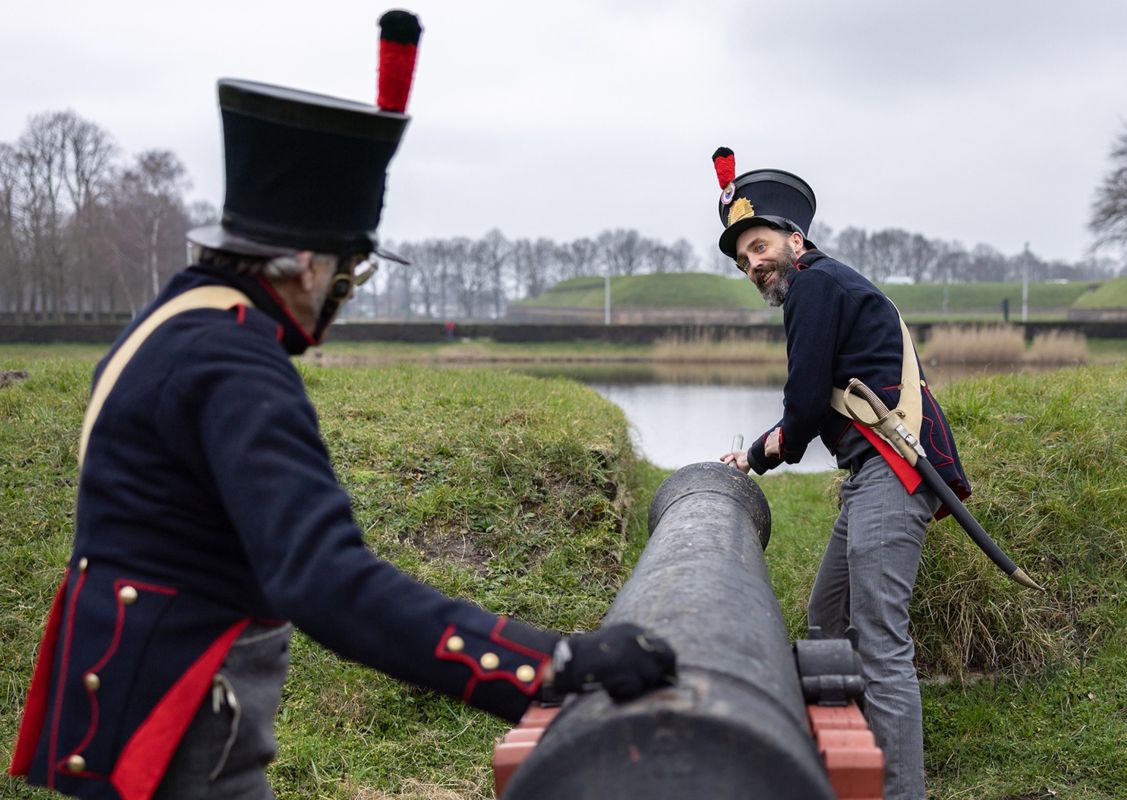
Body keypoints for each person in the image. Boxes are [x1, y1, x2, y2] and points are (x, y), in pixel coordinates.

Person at [8, 13, 674, 800]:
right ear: (305, 267)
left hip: (124, 688)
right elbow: (326, 579)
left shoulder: (169, 322)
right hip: (181, 716)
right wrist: (547, 663)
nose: (341, 298)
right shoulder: (235, 360)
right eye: (346, 276)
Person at [710, 147, 971, 800]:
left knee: (881, 647)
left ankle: (896, 793)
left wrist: (758, 455)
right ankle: (838, 761)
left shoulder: (814, 284)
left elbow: (801, 406)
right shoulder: (818, 283)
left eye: (760, 246)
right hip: (869, 476)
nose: (753, 263)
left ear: (794, 240)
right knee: (826, 619)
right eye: (743, 259)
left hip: (892, 472)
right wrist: (771, 445)